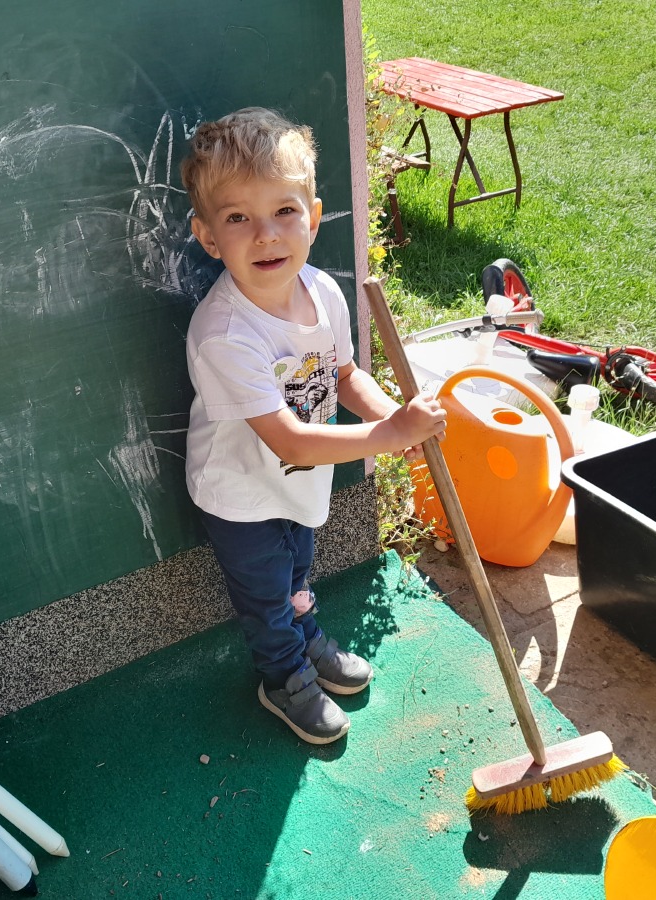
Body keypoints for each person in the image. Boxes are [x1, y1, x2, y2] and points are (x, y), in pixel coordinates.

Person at [180, 107, 446, 744]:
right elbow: (289, 438)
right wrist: (390, 436)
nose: (266, 235)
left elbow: (346, 374)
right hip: (241, 494)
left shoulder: (323, 292)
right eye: (238, 218)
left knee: (298, 573)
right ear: (208, 236)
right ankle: (283, 676)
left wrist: (394, 417)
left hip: (301, 480)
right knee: (266, 594)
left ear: (314, 216)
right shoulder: (224, 333)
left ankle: (307, 639)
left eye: (284, 211)